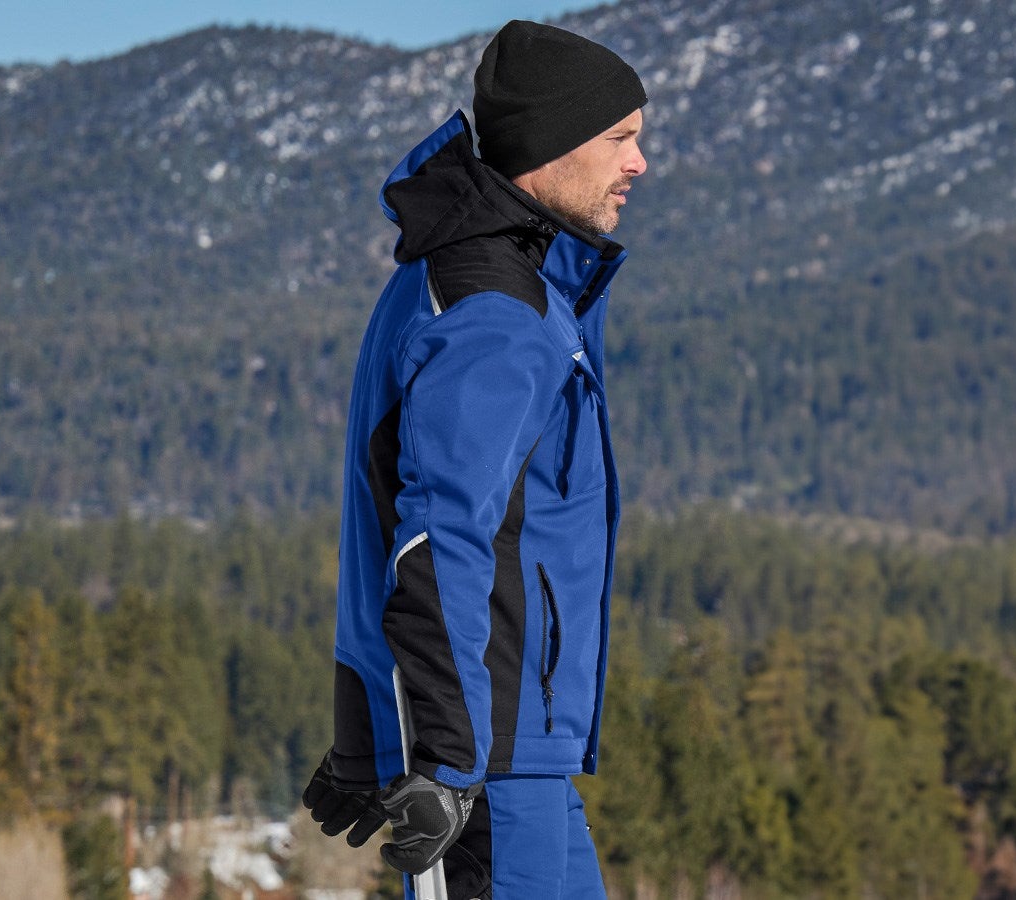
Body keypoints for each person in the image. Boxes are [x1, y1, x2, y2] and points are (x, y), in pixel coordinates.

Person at [302, 18, 648, 899]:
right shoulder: (492, 311)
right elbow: (434, 540)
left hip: (520, 755)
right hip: (484, 769)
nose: (639, 164)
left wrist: (369, 732)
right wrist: (444, 761)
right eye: (620, 139)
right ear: (552, 141)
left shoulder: (482, 285)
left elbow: (381, 508)